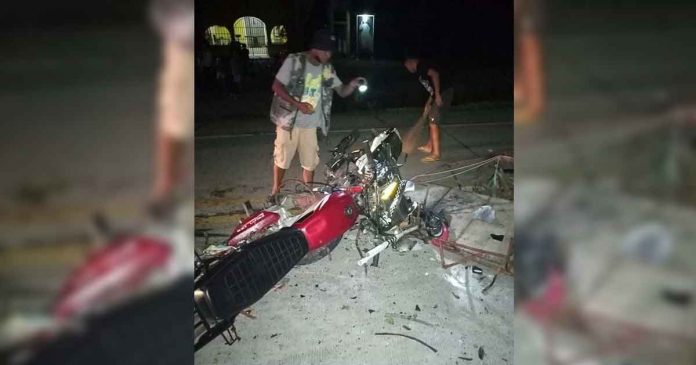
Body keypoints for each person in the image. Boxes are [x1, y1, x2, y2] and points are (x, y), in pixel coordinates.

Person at [269, 29, 365, 202]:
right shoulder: (295, 61)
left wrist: (352, 84)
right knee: (282, 159)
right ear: (317, 49)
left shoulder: (327, 69)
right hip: (289, 122)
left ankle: (309, 191)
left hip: (311, 124)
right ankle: (275, 190)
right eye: (327, 51)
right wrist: (297, 104)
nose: (329, 55)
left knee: (310, 161)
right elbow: (276, 86)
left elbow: (342, 91)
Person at [404, 56, 454, 162]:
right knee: (431, 117)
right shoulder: (419, 72)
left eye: (407, 66)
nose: (408, 69)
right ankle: (429, 145)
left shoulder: (422, 66)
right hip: (437, 93)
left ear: (411, 62)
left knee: (433, 119)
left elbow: (435, 74)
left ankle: (436, 153)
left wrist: (437, 95)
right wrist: (428, 103)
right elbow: (430, 87)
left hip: (444, 92)